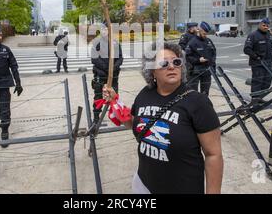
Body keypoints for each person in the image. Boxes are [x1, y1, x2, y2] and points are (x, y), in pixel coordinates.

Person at [102, 42, 223, 194]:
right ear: (152, 71)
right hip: (144, 184)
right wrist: (115, 102)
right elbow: (134, 125)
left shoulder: (198, 102)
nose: (171, 66)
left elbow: (214, 155)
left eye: (176, 62)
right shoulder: (145, 94)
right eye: (163, 63)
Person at [91, 23, 124, 122]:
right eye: (103, 29)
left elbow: (120, 57)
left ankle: (115, 115)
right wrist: (105, 68)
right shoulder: (96, 43)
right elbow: (94, 59)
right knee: (98, 96)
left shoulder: (115, 43)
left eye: (106, 29)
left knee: (114, 95)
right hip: (100, 74)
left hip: (113, 75)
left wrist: (114, 67)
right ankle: (96, 117)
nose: (105, 31)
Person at [244, 18, 272, 102]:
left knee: (267, 81)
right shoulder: (253, 35)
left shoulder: (269, 35)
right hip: (258, 64)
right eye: (264, 25)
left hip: (268, 64)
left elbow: (271, 48)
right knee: (257, 82)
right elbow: (247, 49)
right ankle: (254, 99)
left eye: (267, 26)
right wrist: (256, 57)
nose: (265, 27)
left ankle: (260, 97)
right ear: (260, 25)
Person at [185, 22, 217, 96]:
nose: (205, 35)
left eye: (206, 34)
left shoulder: (208, 41)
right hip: (195, 71)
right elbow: (187, 56)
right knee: (193, 93)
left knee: (205, 93)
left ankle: (203, 106)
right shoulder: (192, 42)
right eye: (204, 33)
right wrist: (198, 60)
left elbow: (213, 53)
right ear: (199, 30)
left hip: (207, 71)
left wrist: (213, 67)